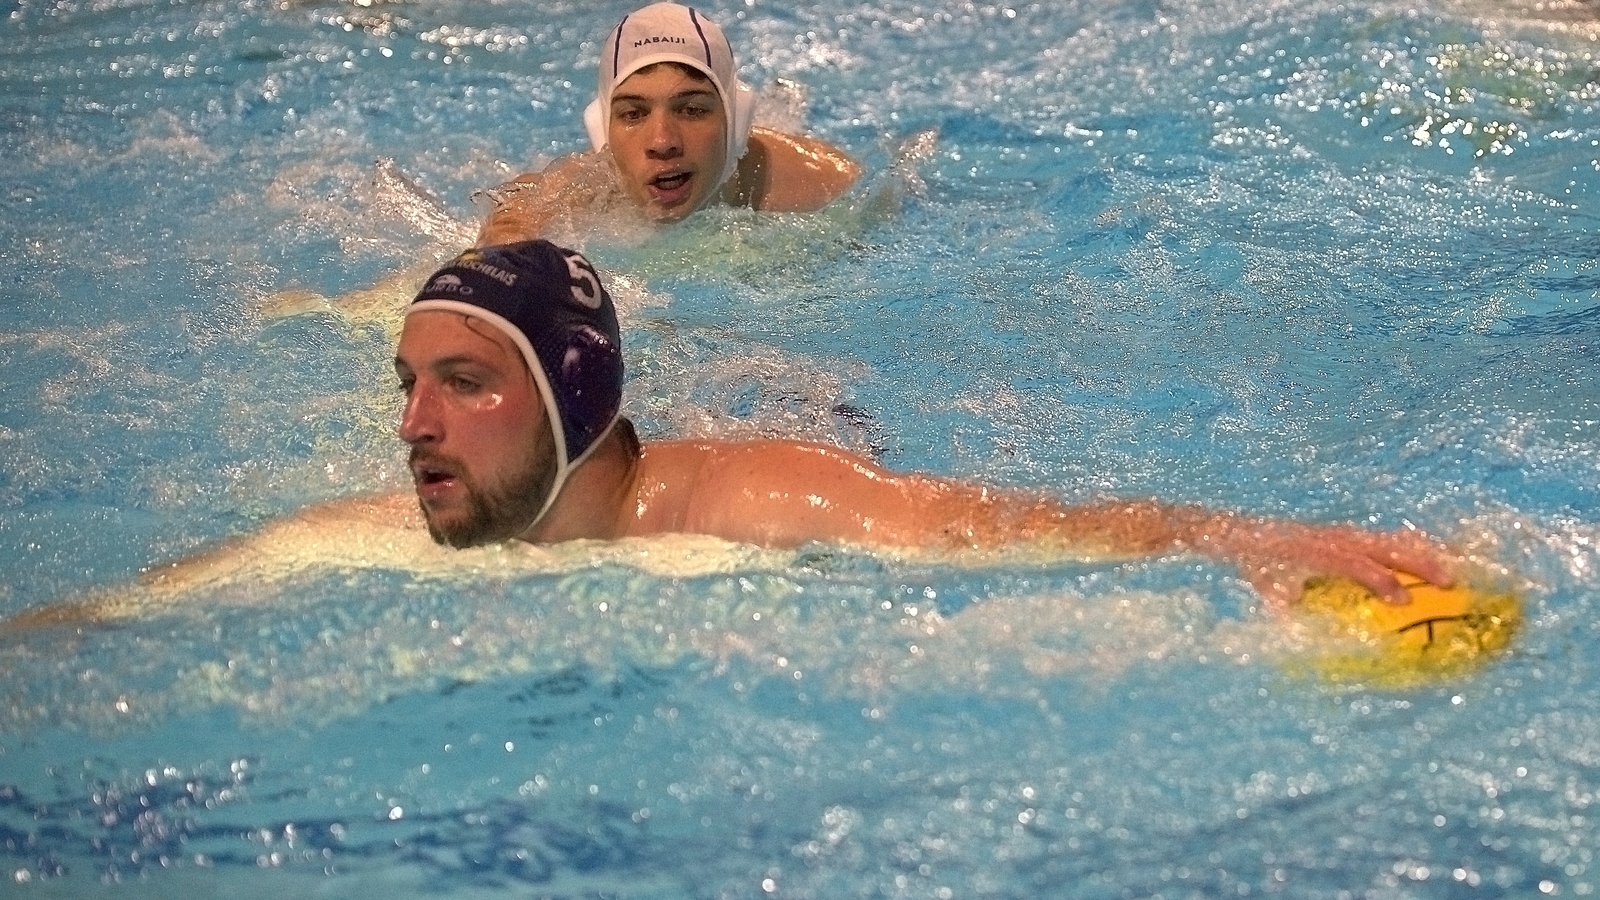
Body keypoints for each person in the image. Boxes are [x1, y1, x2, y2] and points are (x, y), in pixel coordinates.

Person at [235, 240, 1450, 614]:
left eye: (462, 382)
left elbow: (998, 529)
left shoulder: (766, 503)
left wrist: (1236, 539)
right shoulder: (396, 524)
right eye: (407, 384)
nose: (413, 424)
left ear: (575, 392)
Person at [475, 2, 862, 245]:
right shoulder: (584, 192)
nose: (662, 141)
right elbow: (512, 219)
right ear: (602, 130)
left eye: (691, 110)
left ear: (735, 121)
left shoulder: (822, 184)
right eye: (633, 114)